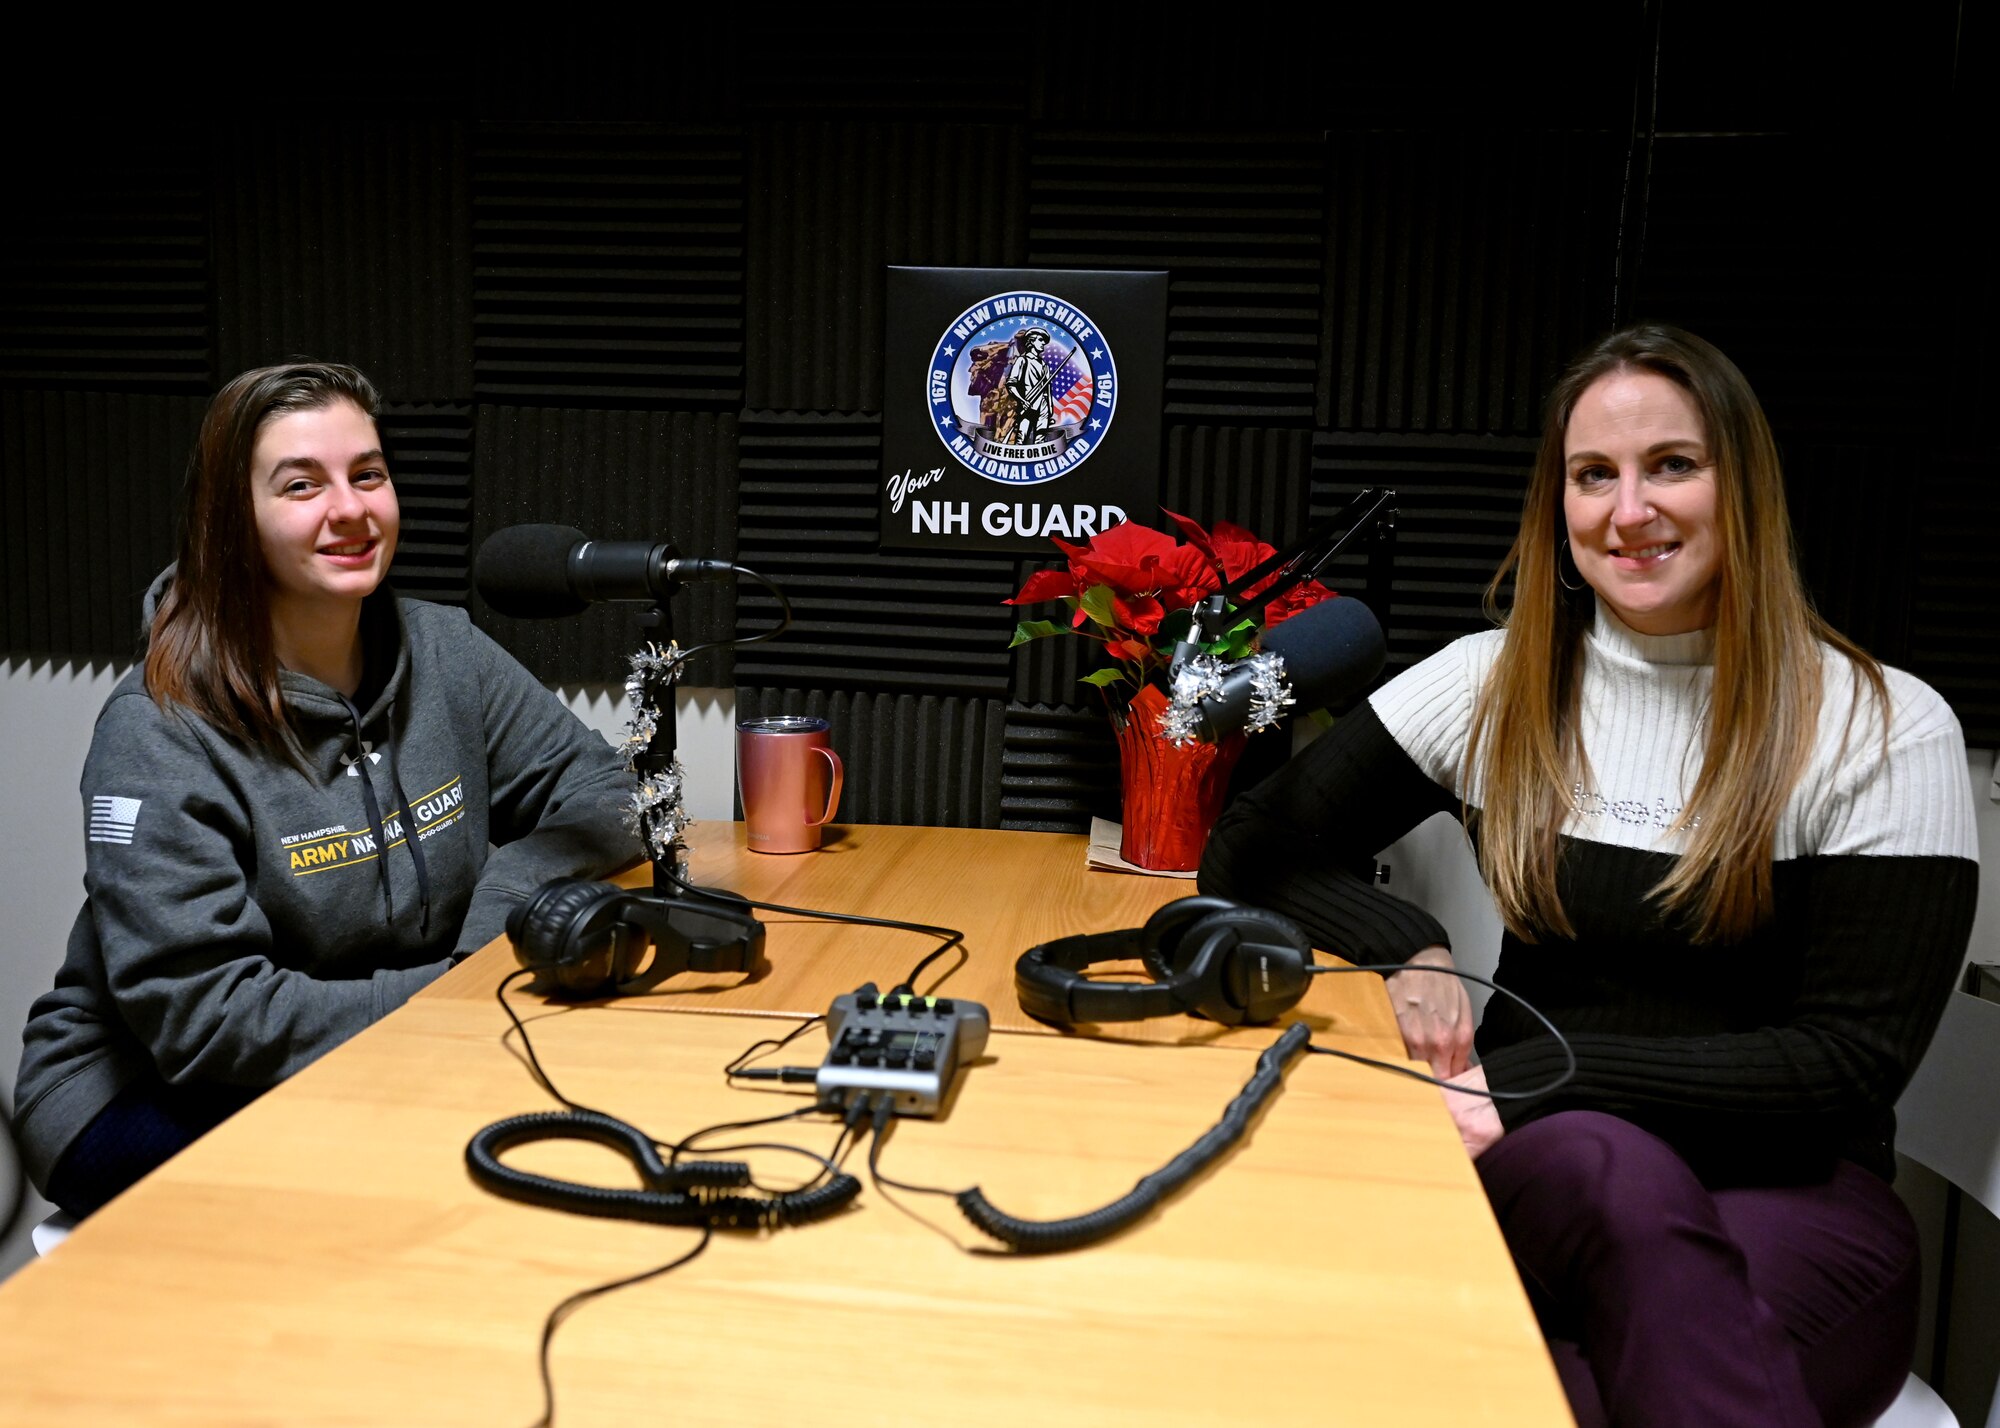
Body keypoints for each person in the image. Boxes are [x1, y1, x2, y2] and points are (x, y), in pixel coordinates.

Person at [1200, 324, 1978, 1426]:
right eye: (1591, 476)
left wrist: (1532, 1082)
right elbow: (1254, 846)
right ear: (1553, 506)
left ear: (1742, 486)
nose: (1628, 511)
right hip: (1550, 1182)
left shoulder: (1879, 726)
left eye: (1671, 465)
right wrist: (1403, 944)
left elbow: (1839, 1068)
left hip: (1796, 1207)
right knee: (1600, 1169)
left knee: (1535, 1392)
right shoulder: (1492, 683)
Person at [12, 362, 643, 1220]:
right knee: (426, 1188)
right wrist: (454, 997)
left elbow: (609, 790)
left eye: (368, 474)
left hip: (380, 1044)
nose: (348, 509)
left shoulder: (444, 653)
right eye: (301, 485)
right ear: (233, 523)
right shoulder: (158, 730)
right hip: (141, 1096)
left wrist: (508, 896)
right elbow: (209, 1020)